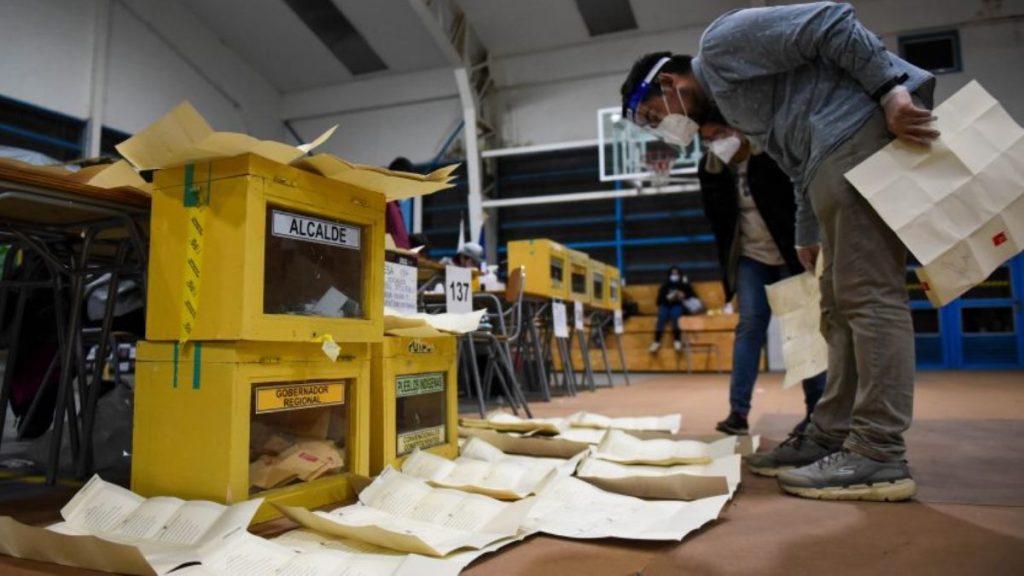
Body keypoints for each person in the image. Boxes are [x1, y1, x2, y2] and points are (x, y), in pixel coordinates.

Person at [619, 1, 937, 501]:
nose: (666, 129)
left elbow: (831, 21)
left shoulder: (720, 45)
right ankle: (831, 434)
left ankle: (878, 451)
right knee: (836, 307)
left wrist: (891, 92)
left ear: (669, 83)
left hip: (856, 133)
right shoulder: (735, 106)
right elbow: (795, 162)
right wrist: (806, 230)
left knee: (869, 297)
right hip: (828, 159)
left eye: (656, 116)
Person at [698, 122, 827, 439]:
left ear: (736, 128)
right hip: (751, 257)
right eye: (707, 140)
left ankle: (817, 411)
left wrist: (809, 242)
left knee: (802, 329)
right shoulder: (711, 169)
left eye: (718, 135)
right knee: (749, 327)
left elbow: (798, 198)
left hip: (790, 251)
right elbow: (717, 221)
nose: (714, 143)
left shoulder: (770, 155)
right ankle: (738, 412)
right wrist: (715, 175)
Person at [650, 266, 701, 353]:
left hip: (678, 305)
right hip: (665, 305)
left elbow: (693, 296)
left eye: (676, 274)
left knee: (675, 315)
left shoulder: (684, 285)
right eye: (673, 274)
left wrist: (684, 295)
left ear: (679, 275)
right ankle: (656, 341)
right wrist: (667, 298)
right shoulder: (665, 286)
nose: (674, 275)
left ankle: (677, 340)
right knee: (661, 316)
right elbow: (659, 300)